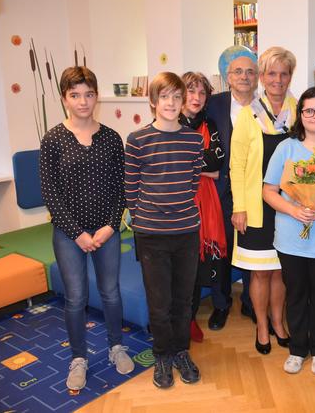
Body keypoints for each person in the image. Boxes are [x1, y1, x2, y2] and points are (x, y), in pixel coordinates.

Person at [40, 66, 134, 391]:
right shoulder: (53, 139)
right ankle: (78, 358)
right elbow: (50, 192)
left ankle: (115, 347)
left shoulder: (110, 138)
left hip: (106, 231)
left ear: (96, 96)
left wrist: (110, 226)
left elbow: (121, 187)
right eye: (75, 95)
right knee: (76, 297)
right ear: (65, 98)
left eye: (89, 94)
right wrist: (77, 233)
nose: (83, 101)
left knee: (111, 293)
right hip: (69, 233)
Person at [125, 72, 203, 389]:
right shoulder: (137, 139)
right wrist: (145, 218)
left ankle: (181, 351)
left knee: (183, 301)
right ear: (153, 101)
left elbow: (194, 181)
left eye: (176, 96)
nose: (171, 103)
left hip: (186, 231)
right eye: (164, 96)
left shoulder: (194, 140)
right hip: (152, 234)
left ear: (182, 101)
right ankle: (162, 355)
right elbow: (131, 188)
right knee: (159, 302)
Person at [263, 87, 315, 375]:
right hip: (290, 239)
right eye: (309, 110)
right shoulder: (286, 147)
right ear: (301, 115)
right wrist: (294, 210)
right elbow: (269, 191)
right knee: (296, 293)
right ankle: (298, 348)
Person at [230, 46, 296, 354]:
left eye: (284, 73)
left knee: (281, 269)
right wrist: (239, 207)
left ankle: (278, 321)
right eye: (272, 73)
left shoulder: (300, 110)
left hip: (290, 207)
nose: (278, 79)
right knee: (259, 271)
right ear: (262, 77)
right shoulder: (248, 114)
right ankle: (261, 325)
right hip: (255, 208)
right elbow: (238, 165)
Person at [206, 46, 257, 329]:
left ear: (257, 77)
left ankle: (251, 302)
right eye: (238, 71)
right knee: (221, 249)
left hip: (253, 192)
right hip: (221, 190)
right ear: (228, 76)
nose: (244, 76)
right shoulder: (214, 104)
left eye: (250, 71)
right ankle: (221, 303)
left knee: (251, 246)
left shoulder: (264, 106)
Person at [179, 71, 226, 343]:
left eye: (201, 92)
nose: (196, 98)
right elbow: (170, 165)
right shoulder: (168, 124)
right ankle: (185, 320)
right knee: (184, 264)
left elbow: (216, 165)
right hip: (178, 204)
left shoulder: (210, 124)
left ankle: (198, 315)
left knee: (203, 262)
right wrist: (201, 165)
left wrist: (187, 163)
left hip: (207, 205)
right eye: (190, 91)